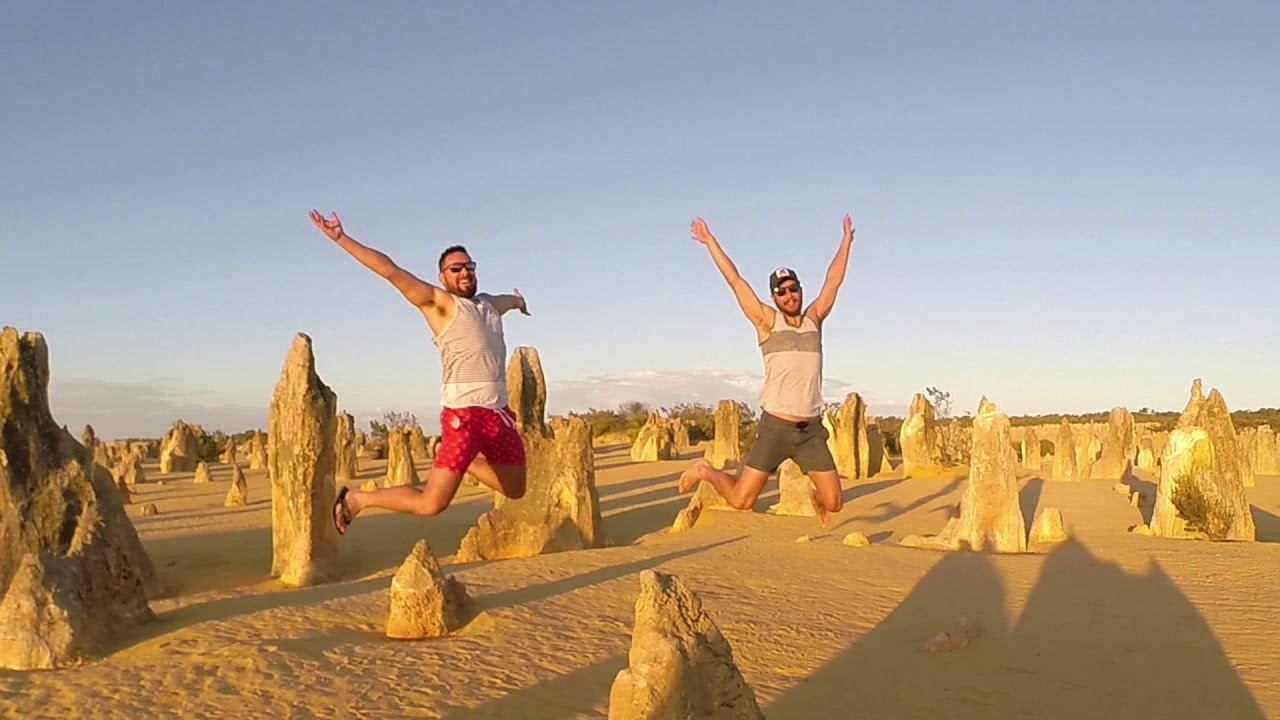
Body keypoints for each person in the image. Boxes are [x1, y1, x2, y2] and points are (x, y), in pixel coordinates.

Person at [308, 210, 530, 535]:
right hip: (464, 417)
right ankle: (356, 500)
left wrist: (520, 301)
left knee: (515, 489)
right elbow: (390, 271)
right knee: (431, 505)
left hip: (499, 415)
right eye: (457, 269)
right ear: (443, 277)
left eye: (470, 266)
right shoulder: (438, 303)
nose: (465, 272)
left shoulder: (490, 304)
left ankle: (464, 461)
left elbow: (510, 300)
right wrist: (341, 238)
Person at [677, 214, 857, 527]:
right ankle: (705, 470)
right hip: (775, 428)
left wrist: (846, 242)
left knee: (835, 503)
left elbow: (833, 281)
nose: (790, 295)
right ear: (774, 296)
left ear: (800, 290)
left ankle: (817, 498)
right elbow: (736, 281)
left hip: (811, 432)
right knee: (742, 501)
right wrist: (710, 242)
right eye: (782, 291)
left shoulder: (814, 320)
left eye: (794, 289)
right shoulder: (766, 322)